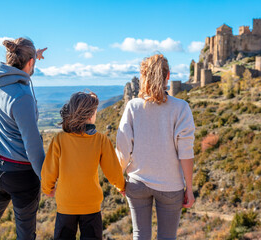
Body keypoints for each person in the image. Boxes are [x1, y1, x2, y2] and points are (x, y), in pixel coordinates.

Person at [0, 37, 47, 240]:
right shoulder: (23, 97)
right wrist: (46, 178)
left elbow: (19, 75)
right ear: (29, 62)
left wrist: (33, 56)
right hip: (22, 173)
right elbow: (32, 144)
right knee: (25, 234)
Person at [116, 54, 195, 240]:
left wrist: (118, 177)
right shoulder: (181, 108)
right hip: (171, 186)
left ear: (144, 77)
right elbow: (186, 153)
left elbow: (122, 147)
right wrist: (189, 188)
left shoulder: (133, 107)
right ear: (168, 76)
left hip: (137, 182)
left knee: (140, 235)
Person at [41, 91, 126, 240]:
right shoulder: (101, 140)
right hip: (91, 205)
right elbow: (113, 170)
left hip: (66, 204)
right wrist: (121, 186)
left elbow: (49, 170)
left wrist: (47, 189)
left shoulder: (59, 139)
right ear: (90, 115)